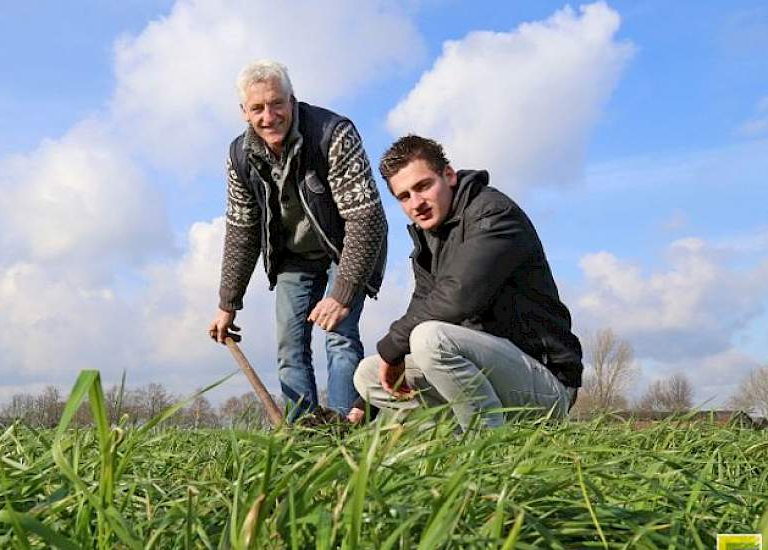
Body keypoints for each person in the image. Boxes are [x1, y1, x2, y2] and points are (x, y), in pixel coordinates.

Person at [352, 135, 582, 430]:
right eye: (404, 196)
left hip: (544, 385)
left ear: (448, 175)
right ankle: (445, 449)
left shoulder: (493, 214)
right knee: (368, 375)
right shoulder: (428, 239)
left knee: (430, 339)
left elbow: (457, 297)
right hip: (488, 378)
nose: (416, 203)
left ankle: (487, 448)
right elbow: (421, 308)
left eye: (423, 186)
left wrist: (392, 346)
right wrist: (365, 403)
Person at [207, 60, 388, 420]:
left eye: (277, 103)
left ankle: (342, 431)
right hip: (293, 256)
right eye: (257, 108)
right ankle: (304, 436)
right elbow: (242, 230)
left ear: (292, 100)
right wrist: (228, 302)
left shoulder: (333, 134)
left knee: (339, 335)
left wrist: (343, 292)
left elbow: (365, 218)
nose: (269, 116)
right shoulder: (238, 156)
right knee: (290, 346)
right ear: (244, 112)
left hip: (346, 245)